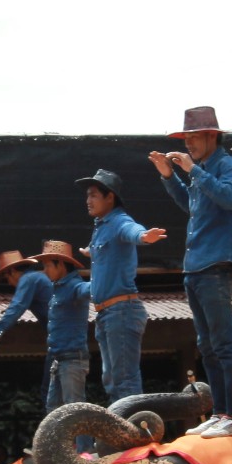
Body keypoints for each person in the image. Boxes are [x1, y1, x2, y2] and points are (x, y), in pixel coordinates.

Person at [153, 106, 232, 430]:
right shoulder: (203, 169)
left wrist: (192, 169)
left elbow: (230, 198)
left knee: (223, 342)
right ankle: (220, 413)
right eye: (186, 138)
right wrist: (169, 177)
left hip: (217, 264)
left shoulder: (227, 165)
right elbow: (191, 205)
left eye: (193, 138)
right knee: (207, 344)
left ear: (211, 136)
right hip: (195, 266)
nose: (189, 144)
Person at [76, 169, 168, 403]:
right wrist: (90, 252)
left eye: (94, 195)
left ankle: (136, 435)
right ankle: (124, 434)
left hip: (122, 311)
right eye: (87, 195)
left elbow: (132, 231)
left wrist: (145, 236)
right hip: (106, 313)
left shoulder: (119, 221)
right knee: (112, 380)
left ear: (110, 197)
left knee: (125, 380)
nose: (88, 200)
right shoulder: (101, 226)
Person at [0, 248, 56, 410]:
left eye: (7, 277)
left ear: (13, 271)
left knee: (50, 395)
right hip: (63, 339)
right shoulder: (38, 279)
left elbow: (17, 306)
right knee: (58, 395)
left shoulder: (29, 279)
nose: (9, 283)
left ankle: (55, 434)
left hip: (61, 342)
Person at [27, 240, 93, 411]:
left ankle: (84, 440)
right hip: (58, 360)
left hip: (72, 359)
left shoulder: (74, 286)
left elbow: (90, 289)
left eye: (48, 265)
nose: (45, 270)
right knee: (54, 411)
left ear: (61, 265)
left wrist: (100, 264)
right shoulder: (57, 288)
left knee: (75, 411)